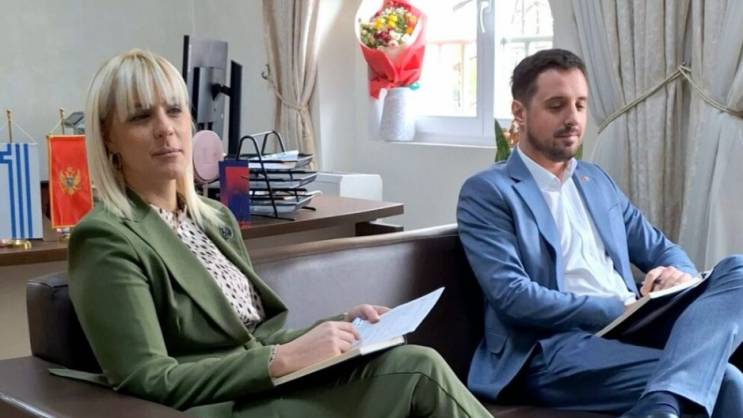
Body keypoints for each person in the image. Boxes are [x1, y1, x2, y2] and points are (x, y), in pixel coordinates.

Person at [64, 49, 492, 418]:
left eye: (174, 110)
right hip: (220, 406)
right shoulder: (104, 238)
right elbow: (148, 377)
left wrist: (340, 326)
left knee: (412, 359)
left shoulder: (214, 218)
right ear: (108, 137)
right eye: (141, 116)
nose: (165, 127)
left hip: (266, 388)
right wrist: (280, 360)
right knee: (419, 372)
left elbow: (254, 338)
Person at [456, 48, 743, 418]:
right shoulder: (489, 191)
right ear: (519, 112)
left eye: (580, 105)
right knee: (727, 382)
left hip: (632, 325)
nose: (572, 118)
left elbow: (660, 248)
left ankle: (658, 406)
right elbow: (513, 296)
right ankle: (661, 404)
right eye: (556, 105)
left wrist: (676, 275)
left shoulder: (596, 181)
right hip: (551, 349)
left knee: (737, 270)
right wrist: (617, 307)